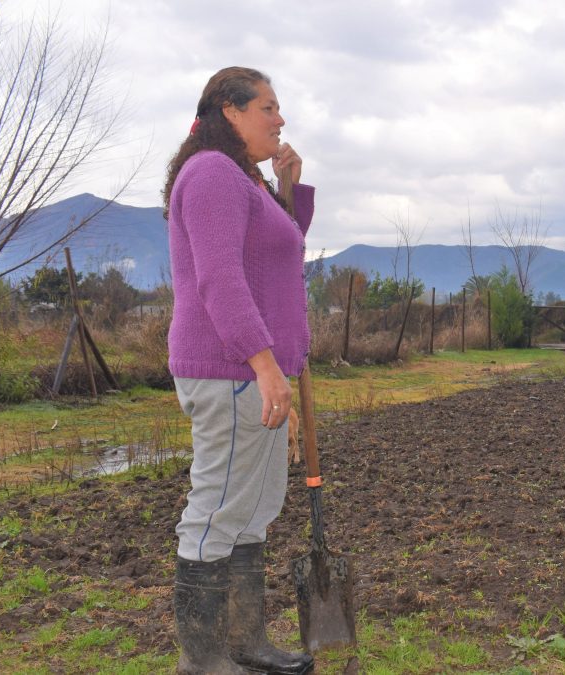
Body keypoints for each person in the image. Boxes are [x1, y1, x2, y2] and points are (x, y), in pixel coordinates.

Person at [163, 66, 315, 675]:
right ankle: (202, 663)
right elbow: (220, 278)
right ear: (230, 110)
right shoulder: (211, 174)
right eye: (268, 107)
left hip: (252, 370)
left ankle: (245, 644)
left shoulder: (243, 181)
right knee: (218, 509)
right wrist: (265, 365)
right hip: (232, 370)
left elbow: (279, 255)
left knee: (252, 509)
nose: (280, 119)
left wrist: (288, 188)